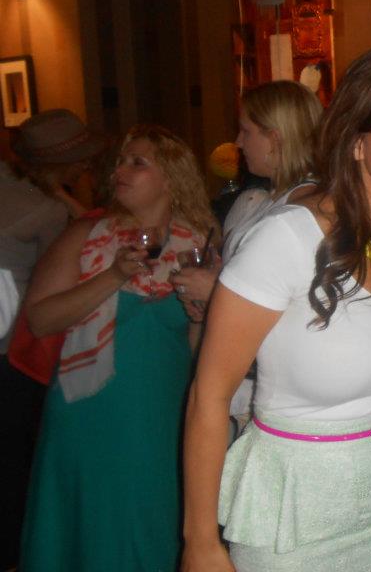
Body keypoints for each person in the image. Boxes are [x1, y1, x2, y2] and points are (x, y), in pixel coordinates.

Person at [181, 41, 371, 572]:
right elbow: (208, 397)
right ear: (355, 141)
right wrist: (200, 544)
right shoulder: (286, 239)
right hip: (294, 512)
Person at [19, 124, 217, 571]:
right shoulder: (86, 235)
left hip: (161, 415)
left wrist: (201, 315)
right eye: (121, 162)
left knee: (153, 523)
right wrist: (113, 276)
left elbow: (198, 352)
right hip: (90, 412)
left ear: (170, 178)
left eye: (137, 163)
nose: (119, 171)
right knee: (93, 531)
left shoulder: (197, 246)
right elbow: (40, 319)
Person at [172, 80, 324, 426]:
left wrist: (215, 291)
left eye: (246, 131)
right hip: (249, 382)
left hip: (280, 398)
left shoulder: (303, 210)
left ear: (276, 139)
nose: (238, 143)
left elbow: (309, 310)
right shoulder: (269, 200)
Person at [0, 108, 105, 570]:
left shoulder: (12, 184)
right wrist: (68, 201)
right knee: (15, 460)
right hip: (10, 345)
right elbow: (69, 265)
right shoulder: (49, 211)